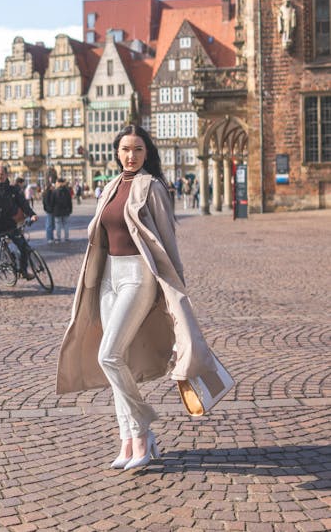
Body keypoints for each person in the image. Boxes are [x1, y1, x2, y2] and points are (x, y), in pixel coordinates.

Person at [56, 124, 220, 470]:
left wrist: (174, 291)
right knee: (120, 363)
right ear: (117, 152)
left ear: (147, 154)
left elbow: (167, 241)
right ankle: (128, 440)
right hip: (107, 278)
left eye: (137, 150)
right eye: (125, 149)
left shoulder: (153, 187)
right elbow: (96, 232)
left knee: (109, 355)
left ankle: (143, 427)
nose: (130, 156)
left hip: (137, 277)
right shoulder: (111, 185)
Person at [0, 164, 38, 294]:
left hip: (10, 225)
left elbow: (23, 203)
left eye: (2, 174)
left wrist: (31, 214)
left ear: (7, 175)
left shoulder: (13, 190)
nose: (0, 176)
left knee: (24, 247)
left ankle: (23, 271)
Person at [51, 177, 72, 242]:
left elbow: (52, 202)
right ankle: (66, 238)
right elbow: (69, 202)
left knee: (58, 225)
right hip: (66, 210)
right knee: (66, 224)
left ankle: (58, 238)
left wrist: (52, 210)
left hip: (57, 211)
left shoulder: (55, 191)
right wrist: (70, 210)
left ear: (59, 183)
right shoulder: (67, 191)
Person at [42, 179, 55, 244]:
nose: (53, 187)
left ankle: (51, 238)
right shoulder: (48, 193)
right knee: (49, 225)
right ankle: (49, 238)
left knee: (51, 225)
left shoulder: (48, 192)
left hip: (50, 210)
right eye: (52, 186)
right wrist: (49, 209)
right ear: (50, 187)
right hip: (50, 211)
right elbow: (47, 203)